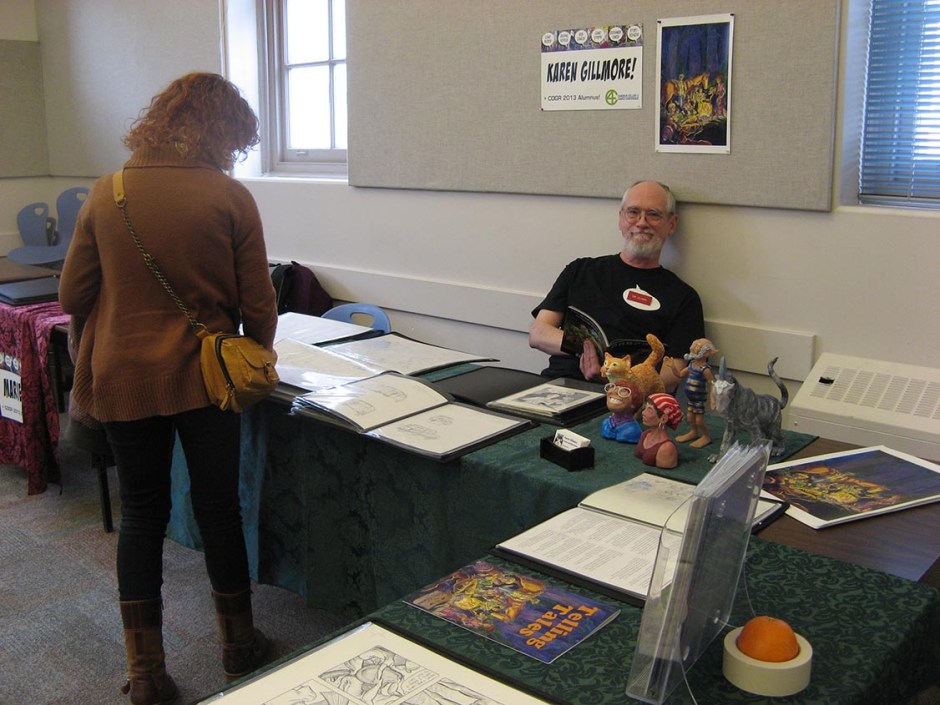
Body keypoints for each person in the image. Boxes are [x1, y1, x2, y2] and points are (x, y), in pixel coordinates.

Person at [59, 72, 278, 705]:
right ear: (223, 133)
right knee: (219, 510)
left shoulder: (109, 192)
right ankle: (238, 646)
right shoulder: (229, 197)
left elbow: (72, 295)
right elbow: (258, 304)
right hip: (207, 381)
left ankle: (147, 675)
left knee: (141, 515)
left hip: (123, 378)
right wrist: (256, 355)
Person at [528, 180, 704, 392]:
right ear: (621, 219)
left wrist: (618, 377)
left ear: (672, 224)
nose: (642, 222)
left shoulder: (683, 298)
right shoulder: (580, 271)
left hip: (628, 400)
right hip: (558, 388)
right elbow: (538, 333)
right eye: (633, 212)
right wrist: (586, 349)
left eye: (653, 214)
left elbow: (672, 374)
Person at [635, 393, 683, 469]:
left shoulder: (666, 448)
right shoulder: (645, 435)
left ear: (663, 419)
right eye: (645, 408)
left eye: (649, 411)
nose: (643, 413)